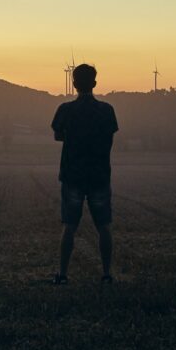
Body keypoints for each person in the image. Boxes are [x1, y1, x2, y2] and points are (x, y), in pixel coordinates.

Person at [50, 63, 119, 284]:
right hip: (99, 174)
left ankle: (62, 275)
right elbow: (110, 137)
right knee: (104, 227)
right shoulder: (107, 110)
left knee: (69, 226)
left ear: (74, 83)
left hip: (72, 174)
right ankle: (107, 274)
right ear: (95, 83)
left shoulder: (65, 110)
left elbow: (57, 135)